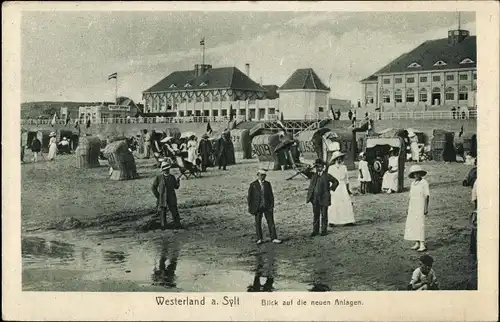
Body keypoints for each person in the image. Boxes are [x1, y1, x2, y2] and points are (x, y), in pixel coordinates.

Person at [247, 169, 282, 245]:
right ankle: (259, 238)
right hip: (257, 207)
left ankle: (274, 238)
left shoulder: (267, 184)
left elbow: (271, 195)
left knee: (271, 222)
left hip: (267, 206)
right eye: (261, 175)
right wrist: (251, 208)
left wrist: (271, 205)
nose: (263, 177)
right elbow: (250, 197)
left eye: (264, 175)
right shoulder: (253, 185)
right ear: (258, 175)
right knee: (258, 223)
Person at [306, 159, 339, 237]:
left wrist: (331, 188)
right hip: (315, 198)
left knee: (324, 215)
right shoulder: (313, 175)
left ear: (323, 167)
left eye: (320, 166)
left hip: (324, 198)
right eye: (317, 166)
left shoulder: (327, 175)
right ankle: (315, 230)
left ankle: (324, 230)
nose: (318, 168)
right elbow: (306, 172)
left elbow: (336, 181)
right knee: (316, 215)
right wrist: (310, 167)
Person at [404, 165, 430, 252]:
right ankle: (417, 242)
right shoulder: (413, 183)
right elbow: (410, 196)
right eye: (414, 174)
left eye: (418, 173)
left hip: (420, 204)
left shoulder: (424, 182)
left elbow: (426, 195)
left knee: (420, 223)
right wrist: (408, 207)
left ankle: (422, 244)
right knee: (413, 223)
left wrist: (426, 208)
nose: (416, 175)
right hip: (413, 205)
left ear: (420, 174)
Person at [151, 161, 182, 230]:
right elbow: (153, 188)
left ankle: (177, 224)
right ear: (162, 170)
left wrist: (178, 182)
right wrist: (158, 196)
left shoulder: (172, 177)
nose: (166, 171)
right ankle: (163, 226)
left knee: (174, 211)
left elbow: (176, 187)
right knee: (162, 212)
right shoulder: (159, 177)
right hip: (162, 198)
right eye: (165, 169)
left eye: (168, 169)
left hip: (171, 197)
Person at [327, 151, 355, 226]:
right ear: (335, 160)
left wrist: (348, 189)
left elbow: (347, 180)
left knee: (345, 202)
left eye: (340, 158)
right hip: (334, 187)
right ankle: (332, 221)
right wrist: (329, 188)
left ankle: (347, 220)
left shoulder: (344, 167)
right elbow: (328, 179)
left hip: (342, 187)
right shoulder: (331, 168)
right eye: (337, 159)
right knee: (334, 203)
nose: (339, 160)